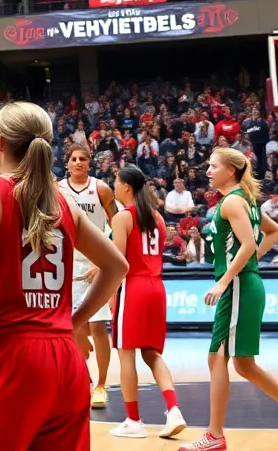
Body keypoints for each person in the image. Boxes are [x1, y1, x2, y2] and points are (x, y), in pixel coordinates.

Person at [0, 102, 128, 451]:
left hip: (12, 356)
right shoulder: (66, 204)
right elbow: (117, 267)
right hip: (66, 359)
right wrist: (74, 322)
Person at [179, 148, 278, 451]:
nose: (208, 171)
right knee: (243, 365)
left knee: (217, 356)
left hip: (238, 287)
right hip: (245, 283)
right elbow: (273, 231)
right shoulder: (245, 200)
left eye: (213, 166)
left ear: (231, 170)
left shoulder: (233, 201)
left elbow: (247, 244)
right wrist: (248, 264)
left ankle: (214, 436)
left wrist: (225, 280)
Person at [108, 164, 185, 439]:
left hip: (133, 287)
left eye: (116, 182)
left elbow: (117, 262)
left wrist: (110, 294)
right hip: (156, 287)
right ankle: (174, 410)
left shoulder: (122, 217)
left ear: (126, 187)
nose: (114, 186)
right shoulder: (157, 217)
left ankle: (133, 420)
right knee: (152, 354)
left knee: (126, 354)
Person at [57, 142, 117, 408]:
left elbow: (118, 225)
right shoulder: (57, 189)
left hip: (95, 263)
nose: (78, 162)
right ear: (67, 163)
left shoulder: (101, 189)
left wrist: (104, 260)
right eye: (74, 159)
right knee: (72, 327)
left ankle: (101, 385)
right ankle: (86, 379)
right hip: (66, 264)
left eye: (83, 158)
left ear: (89, 163)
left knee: (97, 326)